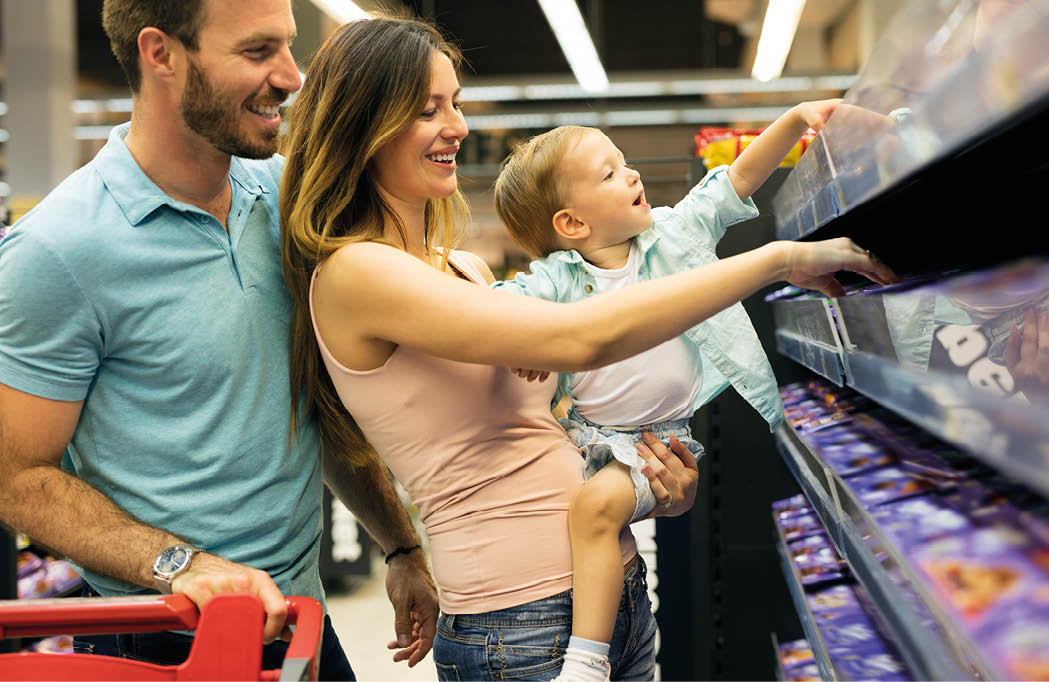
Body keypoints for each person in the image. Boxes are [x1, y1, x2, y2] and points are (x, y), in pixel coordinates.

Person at [279, 15, 896, 682]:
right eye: (428, 109)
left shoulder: (465, 270)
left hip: (616, 600)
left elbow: (552, 429)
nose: (456, 125)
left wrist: (660, 491)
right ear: (365, 123)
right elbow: (581, 338)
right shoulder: (355, 274)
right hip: (516, 626)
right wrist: (777, 260)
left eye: (455, 102)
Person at [0, 1, 437, 678]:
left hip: (302, 622)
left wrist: (400, 547)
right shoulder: (57, 251)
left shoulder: (286, 194)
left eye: (290, 48)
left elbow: (307, 401)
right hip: (157, 637)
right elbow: (15, 475)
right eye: (258, 52)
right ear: (161, 53)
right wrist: (182, 566)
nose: (293, 77)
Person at [489, 105, 849, 680]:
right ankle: (599, 641)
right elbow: (504, 302)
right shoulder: (557, 279)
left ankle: (585, 661)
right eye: (608, 173)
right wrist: (522, 339)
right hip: (590, 441)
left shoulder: (674, 234)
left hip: (660, 440)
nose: (631, 175)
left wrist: (796, 120)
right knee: (583, 517)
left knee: (594, 510)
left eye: (624, 163)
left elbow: (734, 181)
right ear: (572, 224)